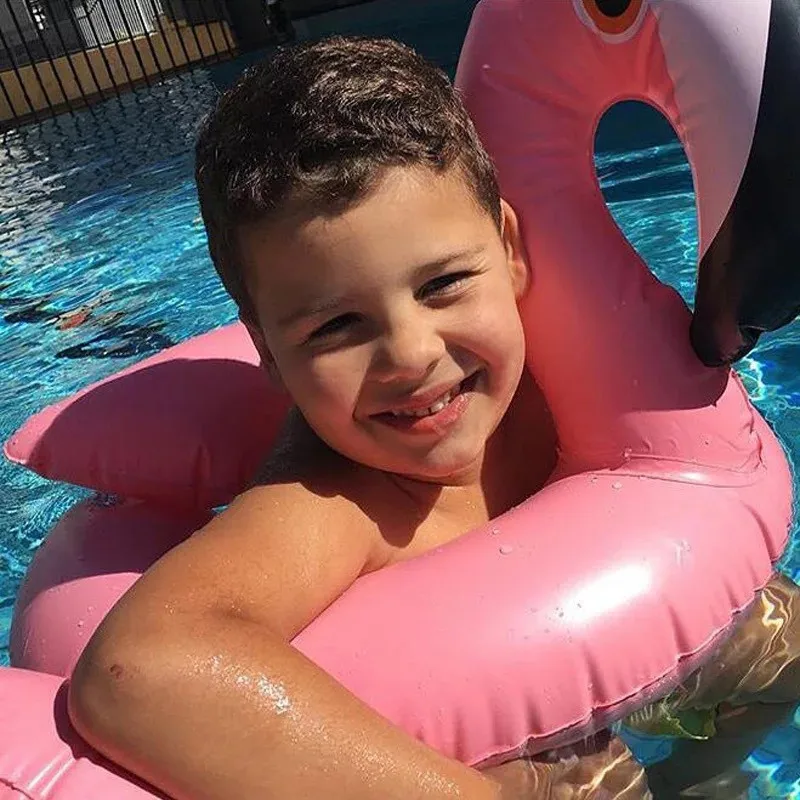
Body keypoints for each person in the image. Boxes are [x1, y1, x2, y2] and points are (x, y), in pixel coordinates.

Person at [65, 37, 798, 799]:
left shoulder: (571, 387)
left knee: (783, 640)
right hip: (488, 751)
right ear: (269, 352)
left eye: (443, 283)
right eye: (336, 326)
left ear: (509, 249)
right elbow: (141, 666)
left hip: (626, 646)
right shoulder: (334, 504)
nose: (411, 355)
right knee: (590, 782)